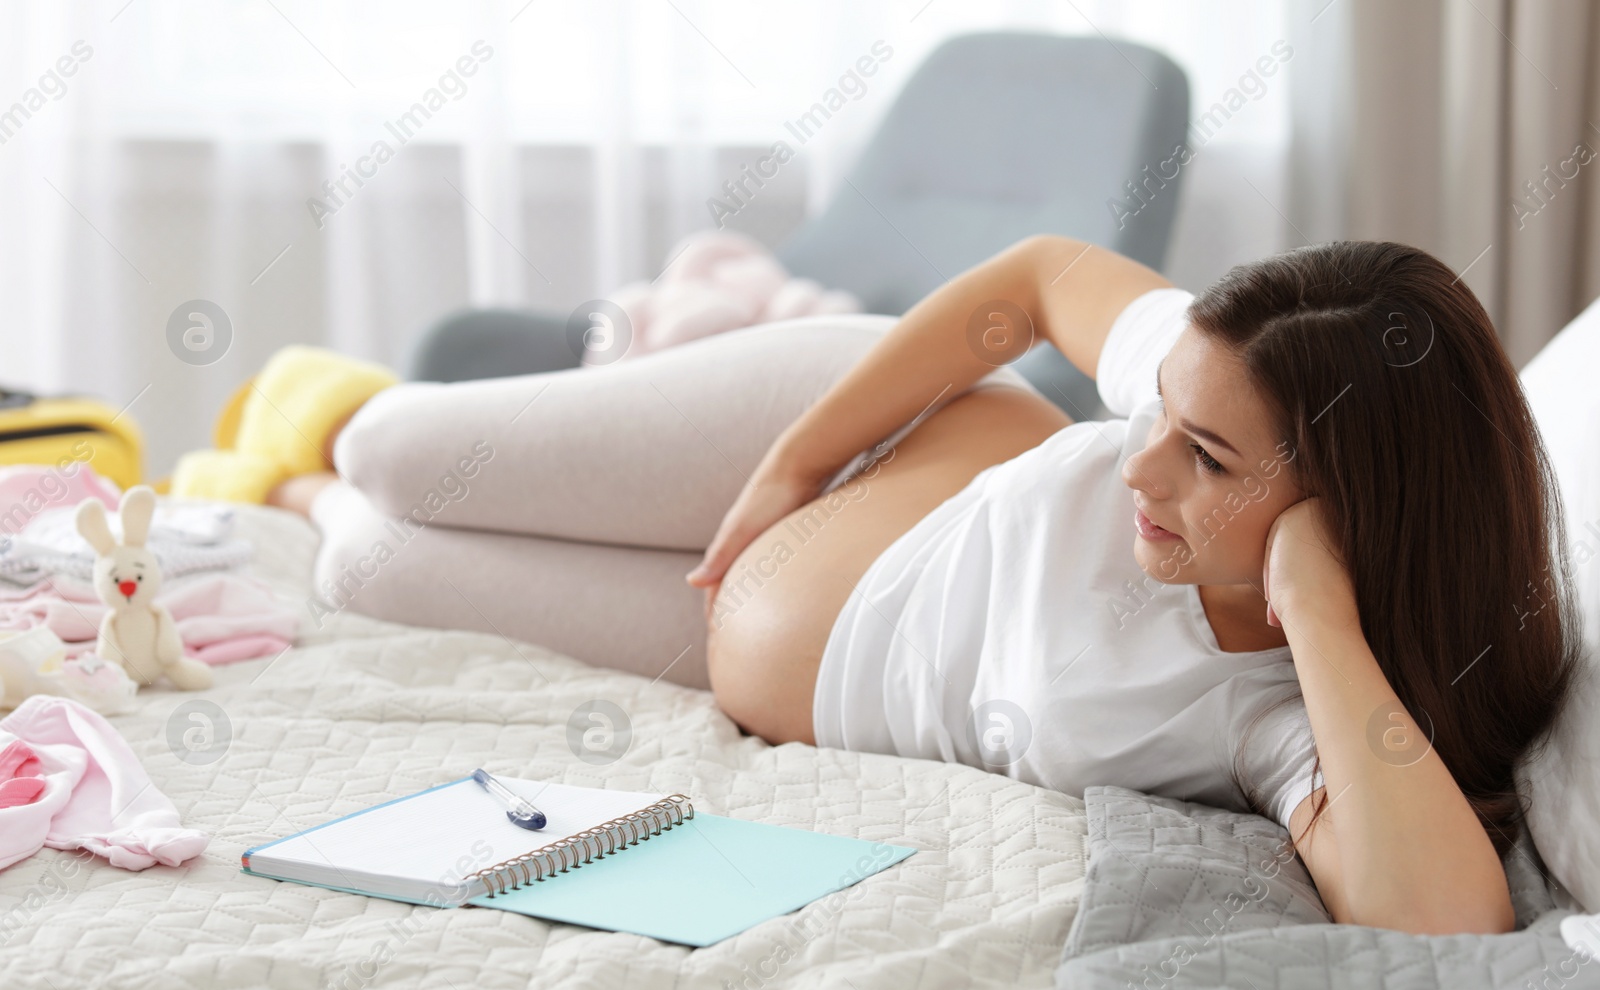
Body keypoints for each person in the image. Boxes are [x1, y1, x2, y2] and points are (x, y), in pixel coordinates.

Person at [304, 234, 1578, 936]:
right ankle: (297, 415)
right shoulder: (1235, 377)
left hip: (728, 640)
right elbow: (1032, 277)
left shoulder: (1279, 715)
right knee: (388, 448)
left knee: (357, 560)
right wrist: (791, 464)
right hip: (846, 450)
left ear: (1347, 519)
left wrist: (1314, 609)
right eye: (1161, 412)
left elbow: (1444, 919)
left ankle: (271, 488)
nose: (1140, 459)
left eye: (1203, 458)